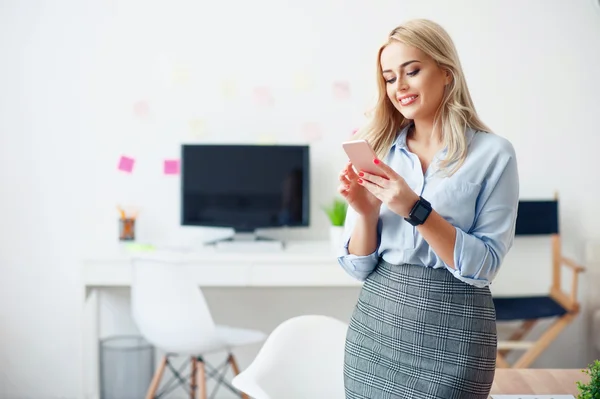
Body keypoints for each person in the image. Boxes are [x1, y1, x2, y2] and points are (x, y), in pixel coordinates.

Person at [337, 19, 519, 399]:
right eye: (389, 78)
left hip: (457, 334)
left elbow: (485, 266)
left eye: (412, 71)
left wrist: (415, 209)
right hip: (376, 329)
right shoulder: (379, 150)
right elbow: (358, 266)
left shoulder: (493, 154)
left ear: (446, 73)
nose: (399, 87)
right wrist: (365, 213)